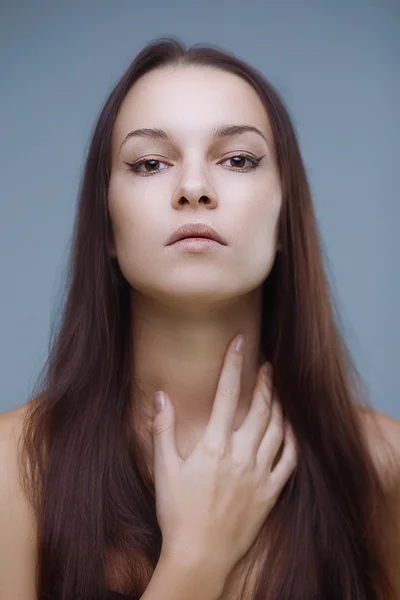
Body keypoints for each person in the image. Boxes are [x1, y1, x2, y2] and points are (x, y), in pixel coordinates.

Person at [0, 37, 399, 600]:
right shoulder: (11, 470)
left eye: (238, 160)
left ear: (287, 217)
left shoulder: (382, 466)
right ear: (107, 225)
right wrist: (196, 558)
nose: (193, 189)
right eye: (150, 163)